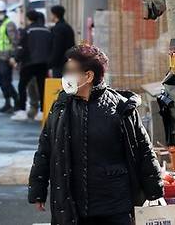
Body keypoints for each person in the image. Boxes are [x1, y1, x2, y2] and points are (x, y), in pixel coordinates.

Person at [28, 45, 163, 225]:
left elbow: (143, 149)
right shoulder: (61, 106)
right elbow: (45, 149)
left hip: (114, 205)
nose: (65, 76)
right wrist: (38, 190)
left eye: (70, 71)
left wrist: (154, 192)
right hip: (71, 204)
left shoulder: (121, 108)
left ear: (88, 76)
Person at [12, 10, 51, 121]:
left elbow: (21, 48)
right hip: (43, 63)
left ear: (28, 18)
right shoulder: (47, 30)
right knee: (42, 87)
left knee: (22, 86)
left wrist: (16, 59)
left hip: (28, 63)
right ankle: (42, 112)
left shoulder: (27, 30)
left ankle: (22, 111)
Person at [0, 0, 18, 113]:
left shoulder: (9, 24)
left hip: (6, 58)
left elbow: (14, 41)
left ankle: (17, 101)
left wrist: (12, 56)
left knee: (6, 81)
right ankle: (7, 103)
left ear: (4, 12)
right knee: (2, 81)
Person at [49, 5, 75, 78]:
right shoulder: (68, 27)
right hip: (69, 61)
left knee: (58, 85)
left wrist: (51, 63)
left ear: (54, 15)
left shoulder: (58, 29)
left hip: (59, 64)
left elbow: (57, 47)